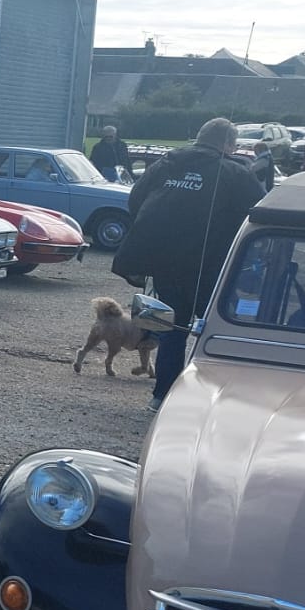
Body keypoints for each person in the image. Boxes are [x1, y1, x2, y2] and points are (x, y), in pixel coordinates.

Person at [111, 117, 265, 411]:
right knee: (216, 329)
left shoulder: (165, 165)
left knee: (172, 327)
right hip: (212, 266)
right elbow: (260, 212)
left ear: (199, 137)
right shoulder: (234, 172)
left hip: (165, 263)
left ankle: (162, 395)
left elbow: (136, 201)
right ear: (228, 144)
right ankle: (213, 396)